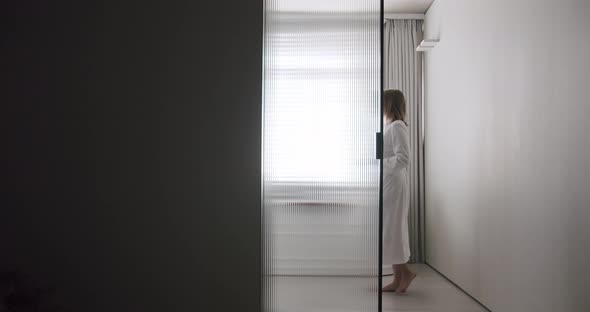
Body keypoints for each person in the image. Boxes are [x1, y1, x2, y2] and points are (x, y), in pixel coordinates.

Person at [381, 89, 416, 293]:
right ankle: (399, 277)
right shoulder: (391, 126)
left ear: (390, 104)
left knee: (393, 229)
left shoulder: (397, 126)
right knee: (391, 230)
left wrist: (380, 163)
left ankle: (406, 274)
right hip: (390, 183)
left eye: (383, 102)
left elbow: (404, 158)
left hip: (395, 185)